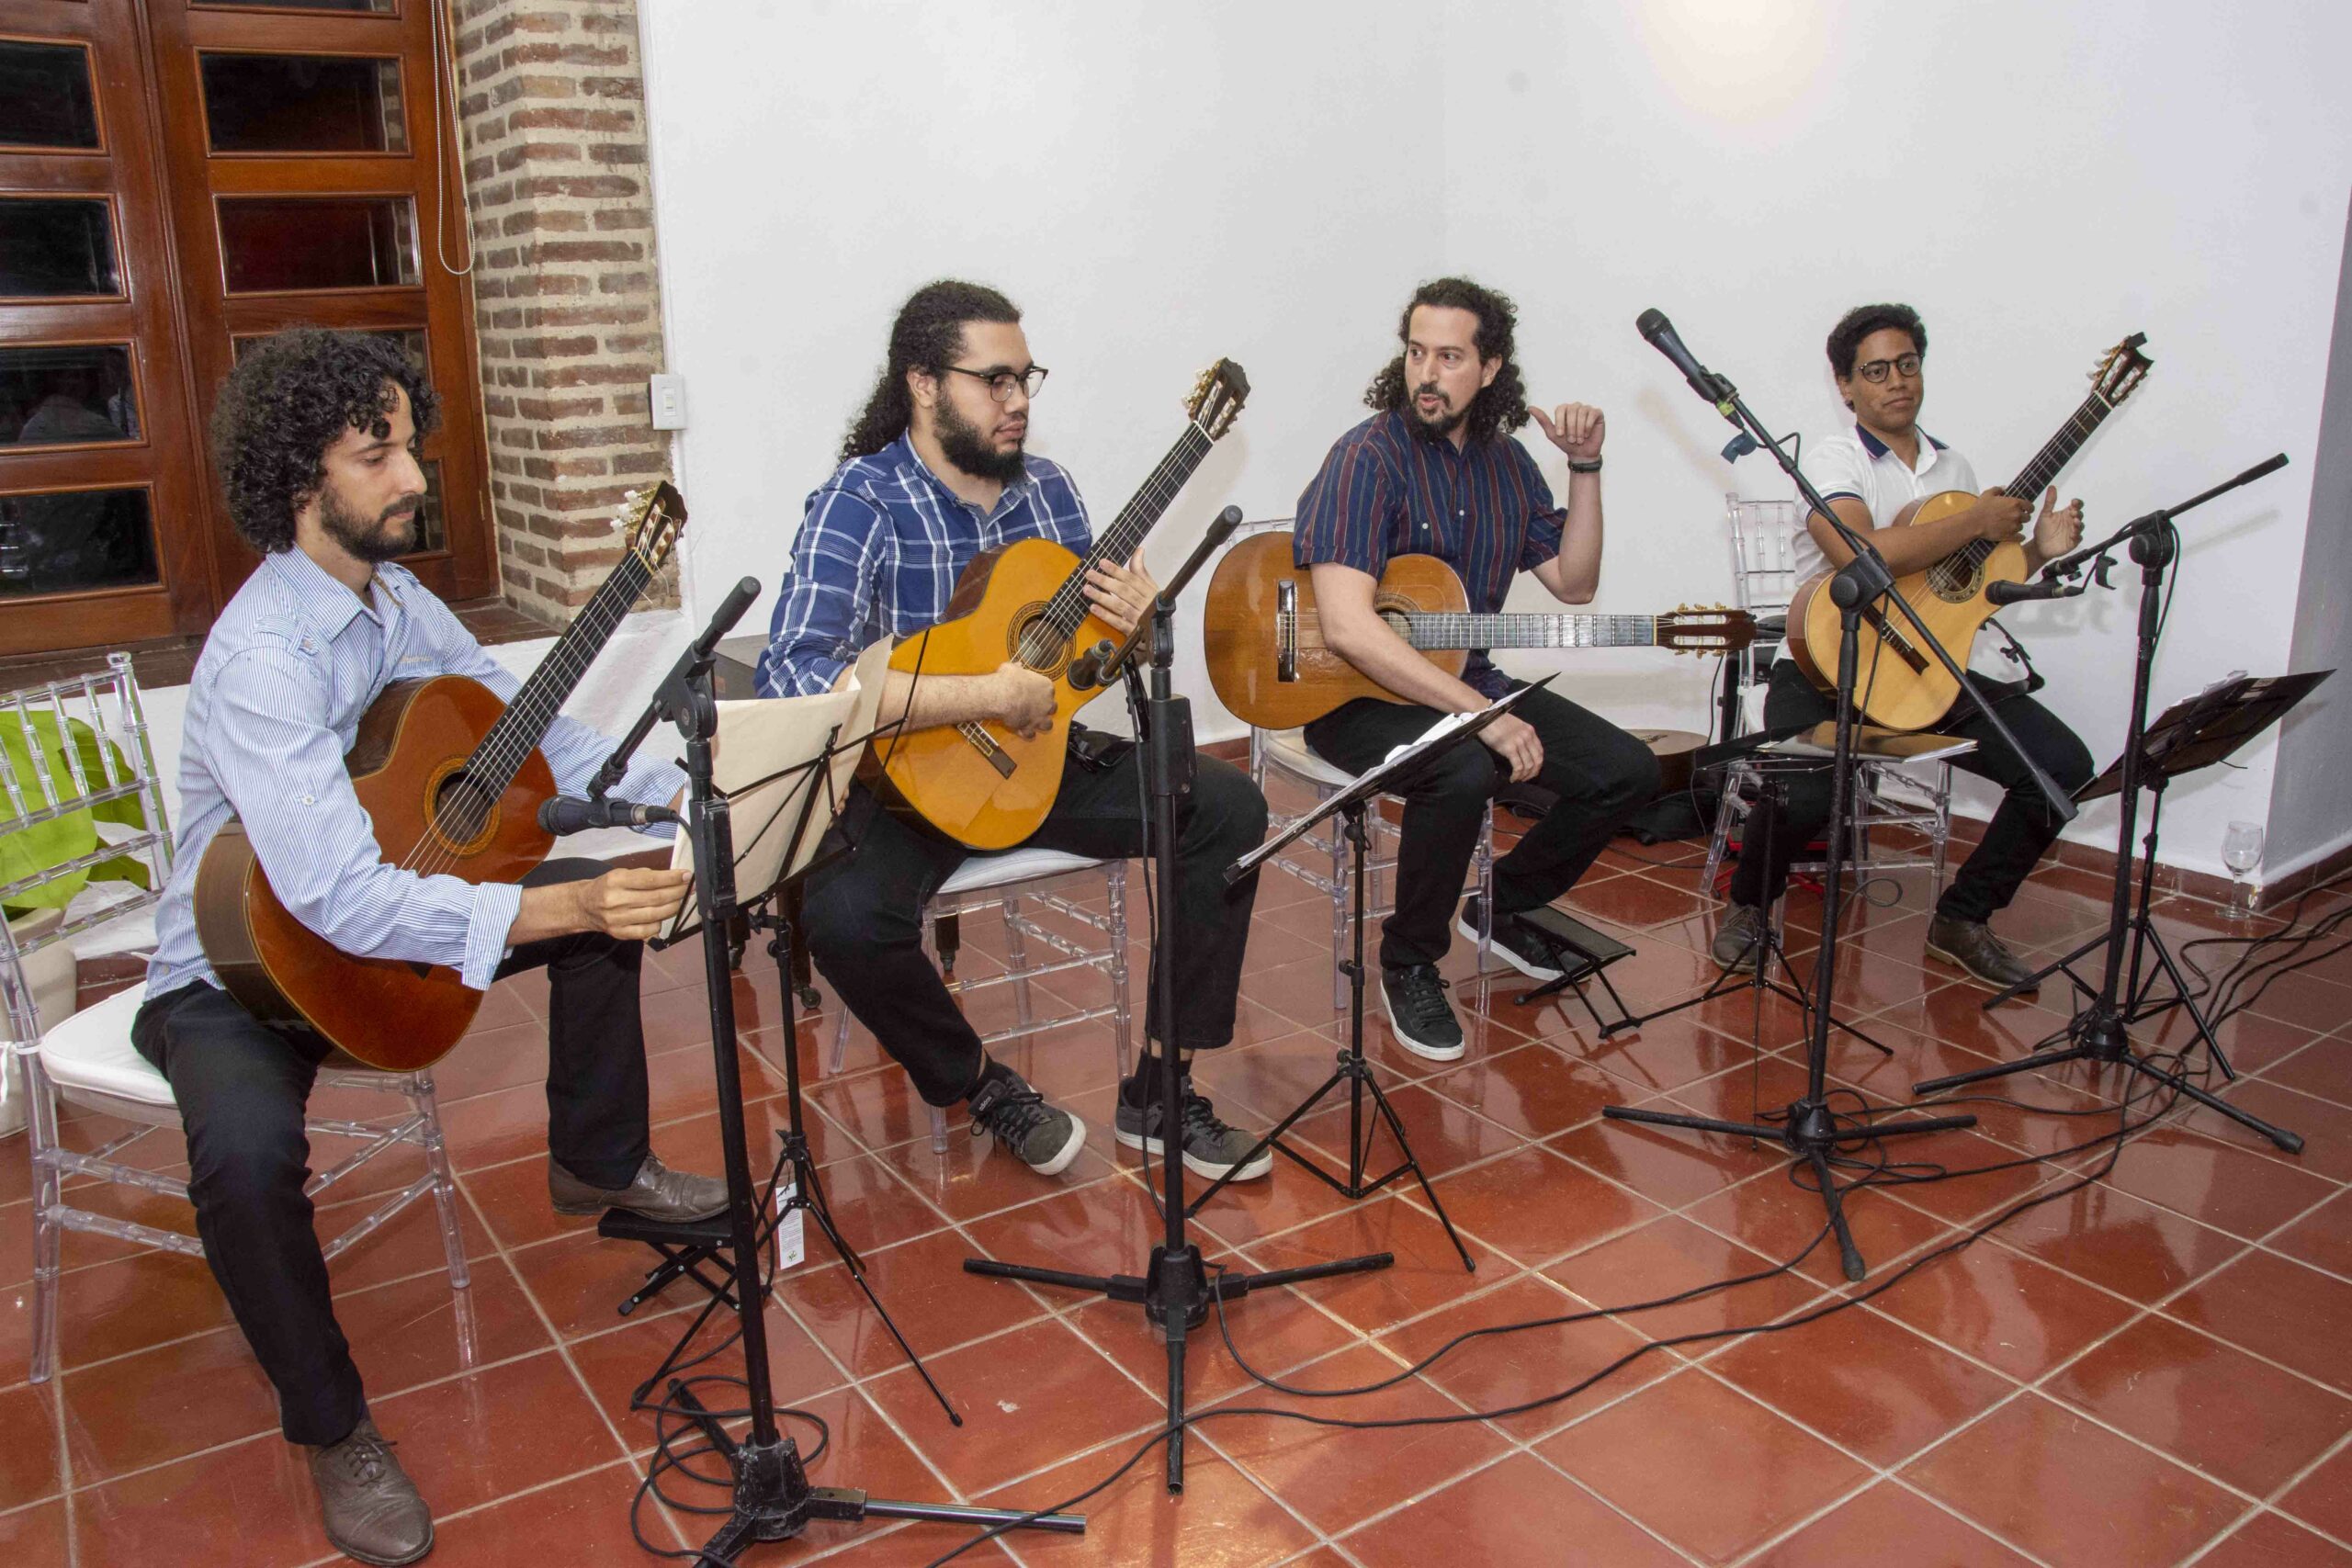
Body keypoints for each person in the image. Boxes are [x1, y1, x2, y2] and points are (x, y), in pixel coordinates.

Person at [139, 328, 725, 1566]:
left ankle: (600, 1160)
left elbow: (532, 729)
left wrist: (680, 788)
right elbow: (335, 895)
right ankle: (333, 1425)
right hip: (244, 965)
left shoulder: (396, 601)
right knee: (244, 1162)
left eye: (410, 445)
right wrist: (551, 909)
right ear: (300, 478)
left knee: (609, 888)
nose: (413, 477)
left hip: (385, 919)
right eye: (377, 456)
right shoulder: (263, 659)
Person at [759, 280, 1272, 1183]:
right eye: (992, 379)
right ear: (924, 384)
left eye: (1025, 377)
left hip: (1036, 760)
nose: (1017, 400)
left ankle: (1162, 1089)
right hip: (908, 778)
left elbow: (1082, 663)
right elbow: (794, 672)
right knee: (842, 917)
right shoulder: (861, 500)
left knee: (1227, 810)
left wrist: (1137, 625)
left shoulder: (1050, 491)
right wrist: (978, 695)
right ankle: (981, 1084)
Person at [1292, 277, 1659, 1061]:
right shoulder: (1367, 457)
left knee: (1626, 770)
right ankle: (1409, 961)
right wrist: (1482, 715)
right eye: (1416, 352)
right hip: (1354, 699)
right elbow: (1350, 629)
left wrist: (1586, 467)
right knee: (1463, 769)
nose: (1427, 373)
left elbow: (1575, 583)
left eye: (1450, 357)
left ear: (1490, 368)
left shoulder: (1508, 464)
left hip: (1467, 683)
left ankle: (1503, 908)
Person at [1712, 302, 2094, 992]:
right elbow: (1860, 555)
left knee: (2061, 767)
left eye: (1907, 365)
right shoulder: (1832, 458)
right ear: (1846, 385)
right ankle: (1748, 903)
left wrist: (2038, 551)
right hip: (1828, 663)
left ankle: (1961, 920)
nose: (1896, 381)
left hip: (1926, 669)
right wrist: (1979, 519)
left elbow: (1962, 590)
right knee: (1804, 795)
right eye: (1876, 371)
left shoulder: (1955, 468)